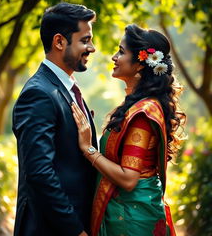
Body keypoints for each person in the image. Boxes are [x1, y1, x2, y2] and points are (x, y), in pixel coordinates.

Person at [71, 24, 186, 236]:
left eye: (121, 52)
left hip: (131, 219)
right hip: (132, 211)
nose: (114, 57)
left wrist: (89, 149)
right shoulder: (137, 106)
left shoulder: (142, 114)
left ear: (141, 64)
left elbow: (128, 179)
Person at [12, 2, 97, 236]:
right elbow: (39, 173)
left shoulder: (64, 87)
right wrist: (75, 230)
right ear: (59, 42)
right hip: (50, 228)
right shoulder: (38, 93)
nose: (92, 48)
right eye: (85, 40)